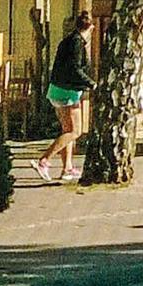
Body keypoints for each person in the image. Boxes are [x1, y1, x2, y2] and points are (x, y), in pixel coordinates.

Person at [36, 12, 95, 182]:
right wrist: (92, 84)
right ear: (91, 28)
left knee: (66, 130)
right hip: (67, 92)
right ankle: (44, 160)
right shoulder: (77, 43)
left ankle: (67, 168)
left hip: (56, 89)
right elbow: (75, 69)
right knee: (75, 131)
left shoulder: (68, 40)